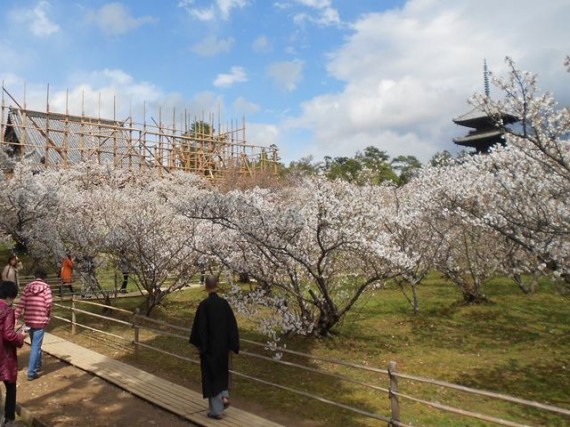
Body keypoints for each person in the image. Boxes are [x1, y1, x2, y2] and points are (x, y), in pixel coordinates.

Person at [189, 275, 240, 420]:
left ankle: (216, 411)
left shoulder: (204, 306)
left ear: (206, 287)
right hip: (223, 349)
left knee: (211, 377)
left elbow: (200, 330)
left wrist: (201, 347)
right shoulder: (224, 304)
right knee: (221, 373)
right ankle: (224, 396)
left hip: (209, 349)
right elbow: (232, 326)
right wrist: (233, 345)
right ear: (216, 285)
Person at [15, 266, 52, 381]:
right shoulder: (46, 288)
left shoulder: (27, 287)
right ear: (44, 278)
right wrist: (47, 314)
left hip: (29, 321)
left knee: (35, 345)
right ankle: (31, 372)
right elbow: (49, 303)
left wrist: (15, 316)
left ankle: (37, 364)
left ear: (35, 276)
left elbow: (21, 304)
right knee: (36, 346)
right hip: (40, 321)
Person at [0, 280, 27, 427]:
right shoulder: (7, 310)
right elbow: (8, 335)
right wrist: (21, 336)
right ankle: (9, 419)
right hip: (4, 355)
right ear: (10, 297)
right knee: (10, 385)